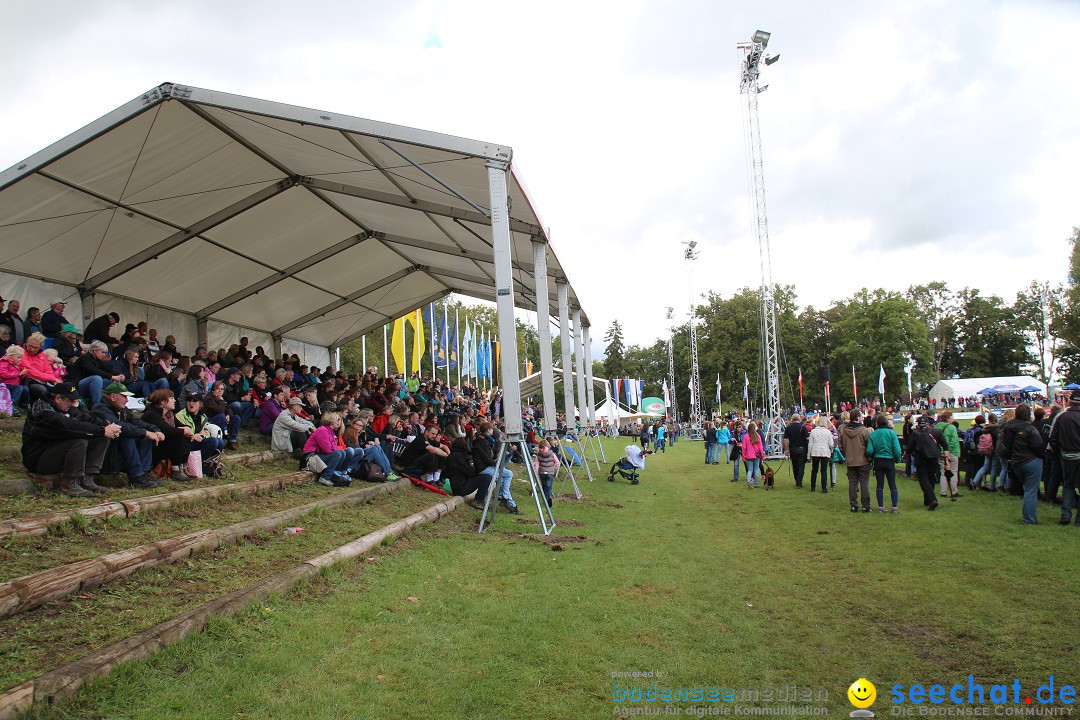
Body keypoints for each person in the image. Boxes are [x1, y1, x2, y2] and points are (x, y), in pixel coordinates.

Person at [22, 382, 122, 497]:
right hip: (37, 458)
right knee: (79, 439)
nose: (73, 404)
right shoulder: (44, 411)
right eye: (70, 400)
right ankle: (69, 482)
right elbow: (69, 426)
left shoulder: (63, 407)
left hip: (56, 452)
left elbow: (86, 418)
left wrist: (106, 426)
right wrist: (101, 430)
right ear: (58, 398)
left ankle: (87, 478)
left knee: (101, 438)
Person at [91, 381, 165, 489]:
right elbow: (121, 427)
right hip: (104, 454)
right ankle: (136, 476)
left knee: (144, 437)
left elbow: (137, 422)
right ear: (113, 396)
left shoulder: (122, 410)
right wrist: (146, 433)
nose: (127, 400)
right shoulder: (100, 409)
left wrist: (155, 430)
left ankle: (143, 474)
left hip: (117, 452)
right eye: (124, 396)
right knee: (128, 436)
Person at [1002, 403, 1045, 525]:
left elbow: (1006, 447)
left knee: (1028, 490)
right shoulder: (1029, 428)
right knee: (1031, 491)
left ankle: (1031, 516)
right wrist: (1043, 456)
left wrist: (1010, 459)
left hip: (1016, 461)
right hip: (1030, 460)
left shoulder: (1009, 427)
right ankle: (1029, 519)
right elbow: (1037, 445)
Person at [141, 388, 195, 482]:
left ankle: (183, 467)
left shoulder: (169, 414)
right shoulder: (152, 414)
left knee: (184, 436)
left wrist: (187, 429)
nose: (174, 400)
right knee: (179, 437)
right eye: (171, 398)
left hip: (163, 444)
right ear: (162, 402)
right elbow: (165, 430)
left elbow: (180, 426)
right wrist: (183, 431)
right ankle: (175, 470)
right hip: (152, 447)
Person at [472, 421, 519, 514]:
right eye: (491, 429)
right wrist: (496, 463)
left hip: (488, 466)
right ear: (488, 430)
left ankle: (503, 495)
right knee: (501, 477)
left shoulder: (487, 441)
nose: (493, 430)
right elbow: (486, 459)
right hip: (483, 468)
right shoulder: (482, 442)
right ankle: (508, 502)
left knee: (509, 474)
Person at [1049, 393, 1080, 526]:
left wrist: (1058, 453)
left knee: (1068, 485)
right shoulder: (1063, 417)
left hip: (1067, 456)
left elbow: (1053, 439)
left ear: (1070, 402)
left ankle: (1066, 514)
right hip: (1072, 454)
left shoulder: (1062, 417)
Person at [303, 412, 355, 487]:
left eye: (340, 420)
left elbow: (334, 447)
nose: (339, 422)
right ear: (331, 420)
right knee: (337, 454)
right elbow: (327, 449)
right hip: (310, 458)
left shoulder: (330, 431)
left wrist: (333, 447)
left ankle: (336, 473)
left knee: (342, 452)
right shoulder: (322, 430)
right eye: (337, 420)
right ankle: (325, 477)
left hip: (318, 455)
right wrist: (333, 447)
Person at [866, 413, 902, 513]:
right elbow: (897, 449)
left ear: (877, 423)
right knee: (892, 484)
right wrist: (898, 459)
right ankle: (894, 507)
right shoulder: (892, 434)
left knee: (880, 485)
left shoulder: (873, 434)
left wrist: (872, 455)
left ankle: (881, 506)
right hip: (889, 460)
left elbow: (869, 450)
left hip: (878, 460)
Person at [838, 408, 872, 513]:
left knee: (852, 483)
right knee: (864, 483)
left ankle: (854, 505)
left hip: (850, 460)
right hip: (863, 460)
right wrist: (869, 457)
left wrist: (846, 455)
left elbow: (840, 446)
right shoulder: (864, 431)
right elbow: (869, 447)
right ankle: (865, 506)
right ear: (858, 418)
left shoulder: (843, 431)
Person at [908, 415, 945, 510]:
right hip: (933, 457)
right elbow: (944, 444)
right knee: (931, 477)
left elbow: (910, 447)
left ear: (918, 424)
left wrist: (906, 455)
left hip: (921, 458)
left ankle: (932, 499)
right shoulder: (935, 431)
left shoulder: (915, 433)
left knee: (923, 479)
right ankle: (928, 499)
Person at [442, 437, 491, 508]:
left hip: (455, 486)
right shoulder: (459, 457)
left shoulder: (451, 456)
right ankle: (478, 501)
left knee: (483, 477)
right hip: (461, 488)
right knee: (486, 477)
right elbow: (470, 473)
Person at [176, 393, 226, 461]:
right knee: (213, 441)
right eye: (189, 401)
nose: (191, 403)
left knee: (220, 442)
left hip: (196, 442)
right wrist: (195, 436)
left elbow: (206, 432)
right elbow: (180, 435)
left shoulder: (203, 416)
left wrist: (201, 436)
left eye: (194, 401)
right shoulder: (180, 416)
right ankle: (197, 465)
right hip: (185, 445)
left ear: (200, 404)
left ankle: (210, 465)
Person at [402, 422, 450, 487]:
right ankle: (429, 480)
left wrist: (449, 454)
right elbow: (434, 450)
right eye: (433, 433)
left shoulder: (430, 439)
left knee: (440, 454)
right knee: (432, 454)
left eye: (435, 434)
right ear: (426, 432)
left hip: (419, 464)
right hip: (410, 465)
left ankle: (436, 478)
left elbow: (444, 446)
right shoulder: (420, 439)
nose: (434, 436)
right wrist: (446, 455)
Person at [935, 411, 962, 500]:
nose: (952, 419)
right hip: (952, 452)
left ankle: (943, 491)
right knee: (953, 472)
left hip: (940, 452)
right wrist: (948, 450)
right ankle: (954, 491)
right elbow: (954, 441)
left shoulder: (936, 427)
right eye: (951, 417)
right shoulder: (952, 427)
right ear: (948, 418)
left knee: (943, 473)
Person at [783, 413, 810, 488]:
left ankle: (797, 481)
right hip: (802, 449)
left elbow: (785, 440)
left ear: (792, 419)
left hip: (793, 449)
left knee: (795, 466)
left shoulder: (788, 428)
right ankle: (799, 482)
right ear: (799, 419)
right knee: (801, 466)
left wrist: (786, 449)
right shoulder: (803, 428)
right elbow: (807, 438)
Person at [807, 416, 834, 493]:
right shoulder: (828, 432)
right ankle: (824, 488)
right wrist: (831, 451)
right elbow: (831, 444)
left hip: (815, 451)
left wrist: (808, 455)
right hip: (825, 452)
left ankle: (813, 487)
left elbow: (810, 444)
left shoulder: (813, 431)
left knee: (814, 470)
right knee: (824, 470)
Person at [533, 437, 561, 507]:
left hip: (542, 473)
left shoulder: (538, 455)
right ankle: (549, 496)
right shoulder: (552, 454)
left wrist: (536, 472)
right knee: (549, 486)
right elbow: (557, 462)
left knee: (543, 486)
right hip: (550, 473)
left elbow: (537, 465)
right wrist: (554, 468)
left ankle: (545, 499)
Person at [741, 421, 765, 488]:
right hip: (756, 456)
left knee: (750, 470)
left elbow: (744, 447)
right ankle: (756, 484)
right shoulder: (758, 436)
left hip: (748, 456)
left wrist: (743, 456)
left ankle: (749, 482)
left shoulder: (746, 437)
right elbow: (761, 447)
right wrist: (762, 455)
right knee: (756, 470)